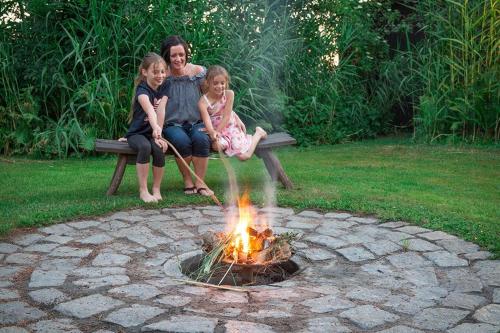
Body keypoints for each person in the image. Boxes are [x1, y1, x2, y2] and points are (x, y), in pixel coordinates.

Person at [159, 35, 213, 196]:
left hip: (197, 121)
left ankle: (201, 182)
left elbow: (213, 97)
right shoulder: (162, 76)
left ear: (186, 54)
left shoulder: (198, 72)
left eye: (181, 54)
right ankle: (188, 180)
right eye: (173, 55)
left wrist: (231, 116)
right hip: (173, 124)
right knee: (181, 141)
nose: (178, 59)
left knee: (202, 139)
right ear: (167, 56)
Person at [123, 52, 168, 203]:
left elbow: (160, 111)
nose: (160, 75)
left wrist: (159, 134)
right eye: (155, 72)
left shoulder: (162, 89)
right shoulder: (142, 91)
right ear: (144, 72)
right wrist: (155, 127)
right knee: (144, 147)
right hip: (137, 134)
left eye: (162, 72)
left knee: (158, 148)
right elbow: (150, 110)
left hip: (152, 133)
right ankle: (143, 190)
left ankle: (156, 188)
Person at [198, 65, 267, 160]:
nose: (219, 86)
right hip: (216, 129)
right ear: (207, 83)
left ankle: (258, 133)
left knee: (244, 157)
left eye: (222, 83)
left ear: (226, 83)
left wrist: (217, 131)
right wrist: (212, 132)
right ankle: (226, 143)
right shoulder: (203, 102)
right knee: (216, 146)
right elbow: (206, 121)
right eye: (215, 83)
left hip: (230, 128)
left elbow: (227, 116)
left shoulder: (229, 94)